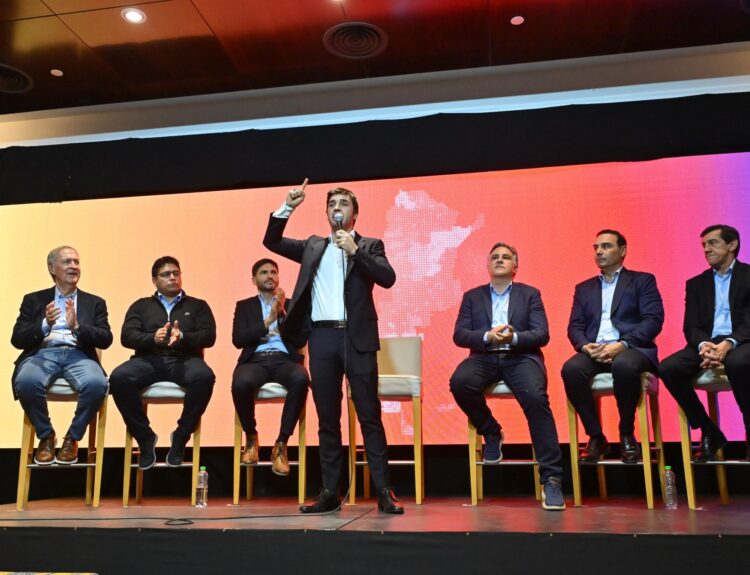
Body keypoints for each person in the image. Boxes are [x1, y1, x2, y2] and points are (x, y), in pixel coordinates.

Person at [263, 182, 403, 514]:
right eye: (332, 204)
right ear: (327, 212)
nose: (336, 207)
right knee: (328, 418)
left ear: (355, 213)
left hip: (357, 338)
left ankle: (384, 491)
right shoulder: (313, 246)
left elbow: (388, 278)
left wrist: (355, 251)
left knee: (369, 415)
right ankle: (329, 492)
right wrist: (288, 206)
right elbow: (272, 241)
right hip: (322, 337)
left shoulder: (369, 245)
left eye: (343, 203)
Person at [449, 242, 566, 511]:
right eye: (495, 257)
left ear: (516, 266)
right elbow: (459, 334)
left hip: (520, 356)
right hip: (484, 355)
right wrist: (486, 336)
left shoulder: (530, 294)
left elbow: (541, 334)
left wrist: (513, 337)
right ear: (487, 265)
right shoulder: (472, 296)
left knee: (536, 399)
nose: (499, 260)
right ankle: (491, 431)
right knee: (460, 383)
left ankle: (552, 479)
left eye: (505, 257)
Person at [561, 230, 664, 463]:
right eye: (596, 247)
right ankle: (596, 437)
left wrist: (623, 344)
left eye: (606, 246)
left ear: (623, 250)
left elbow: (653, 320)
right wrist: (585, 346)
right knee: (571, 369)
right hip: (596, 350)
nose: (599, 251)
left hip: (632, 349)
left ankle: (626, 433)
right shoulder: (584, 288)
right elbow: (575, 326)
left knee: (624, 365)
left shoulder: (642, 281)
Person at [109, 256, 216, 469]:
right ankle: (145, 437)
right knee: (119, 378)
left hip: (184, 359)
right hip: (149, 359)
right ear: (154, 280)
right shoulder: (140, 306)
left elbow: (209, 336)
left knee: (205, 377)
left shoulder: (198, 305)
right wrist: (152, 338)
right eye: (166, 274)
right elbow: (127, 336)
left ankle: (181, 436)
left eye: (176, 273)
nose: (173, 278)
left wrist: (183, 336)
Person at [11, 246, 112, 465]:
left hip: (79, 354)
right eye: (67, 262)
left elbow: (106, 338)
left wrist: (77, 326)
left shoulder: (94, 302)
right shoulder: (34, 300)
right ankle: (46, 436)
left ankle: (72, 439)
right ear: (52, 268)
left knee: (97, 385)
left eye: (76, 262)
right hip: (43, 353)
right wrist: (44, 324)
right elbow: (17, 339)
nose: (74, 266)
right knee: (26, 381)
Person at [660, 224, 750, 460]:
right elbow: (691, 326)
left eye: (713, 243)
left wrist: (729, 343)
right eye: (704, 245)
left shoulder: (748, 276)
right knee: (668, 368)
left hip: (742, 342)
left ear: (732, 245)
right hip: (707, 344)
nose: (706, 249)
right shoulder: (696, 283)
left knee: (739, 363)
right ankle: (708, 429)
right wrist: (704, 346)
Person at [232, 258, 310, 476]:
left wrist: (283, 313)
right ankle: (251, 438)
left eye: (273, 272)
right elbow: (238, 339)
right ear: (254, 279)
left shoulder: (292, 305)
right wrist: (268, 321)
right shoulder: (244, 306)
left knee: (301, 378)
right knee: (241, 383)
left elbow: (301, 339)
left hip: (284, 359)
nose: (269, 276)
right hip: (256, 360)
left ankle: (281, 444)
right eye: (264, 272)